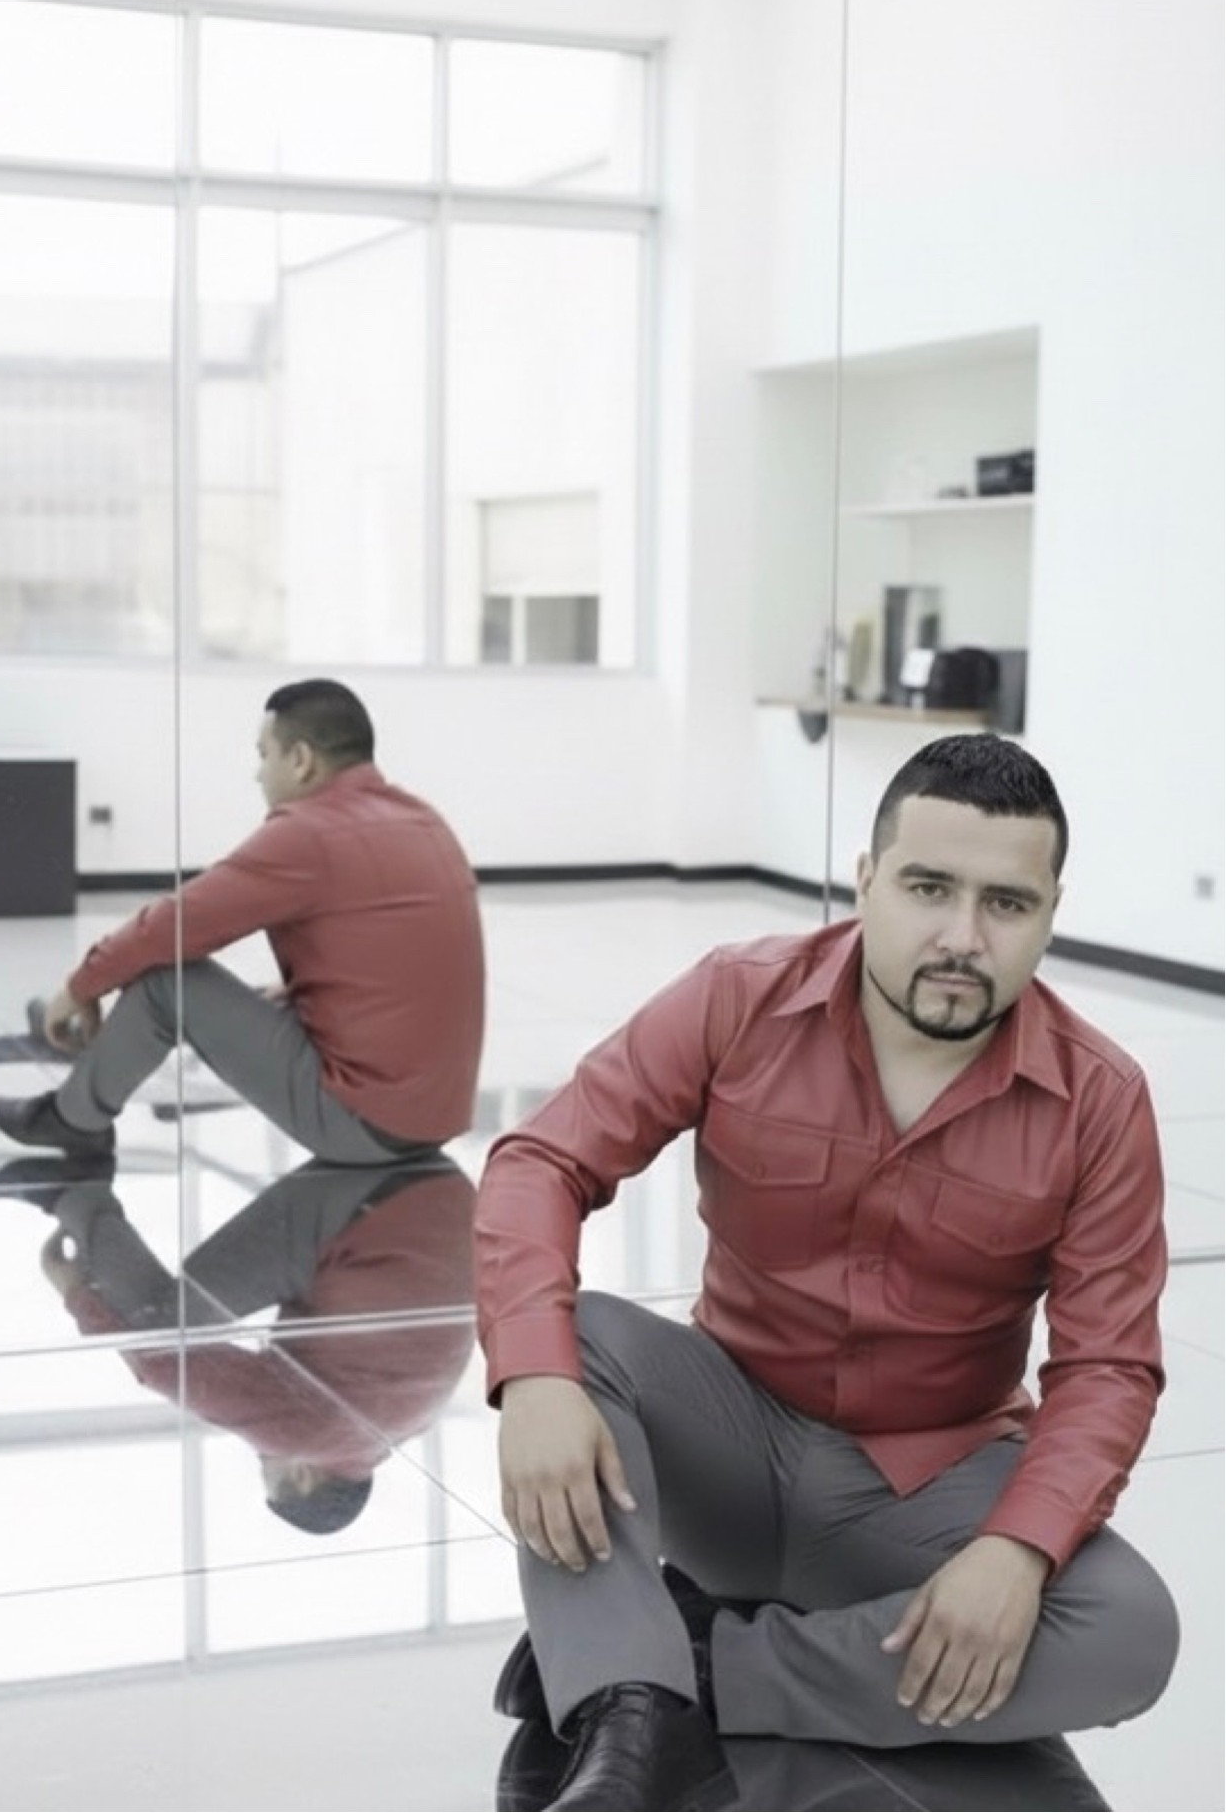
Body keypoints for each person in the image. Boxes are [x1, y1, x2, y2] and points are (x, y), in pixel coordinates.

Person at [474, 735, 1179, 1812]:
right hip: (728, 1452)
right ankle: (629, 1722)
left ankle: (676, 1671)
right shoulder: (738, 997)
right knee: (585, 1341)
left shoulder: (1102, 1100)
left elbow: (1109, 1368)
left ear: (1050, 913)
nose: (963, 937)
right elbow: (542, 1161)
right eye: (929, 888)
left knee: (1130, 1630)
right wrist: (533, 1377)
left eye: (1006, 904)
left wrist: (1016, 1551)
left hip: (926, 1491)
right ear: (865, 880)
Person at [0, 678, 485, 1177]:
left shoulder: (307, 833)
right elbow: (399, 964)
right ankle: (94, 1057)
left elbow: (171, 927)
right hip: (436, 1114)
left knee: (167, 982)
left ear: (301, 760)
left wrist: (80, 985)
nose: (258, 774)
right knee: (252, 996)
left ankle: (74, 1119)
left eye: (264, 755)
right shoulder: (424, 821)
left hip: (367, 1125)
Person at [0, 1148, 476, 1531]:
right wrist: (77, 1294)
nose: (261, 1449)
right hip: (369, 1212)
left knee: (193, 1318)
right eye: (267, 1465)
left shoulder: (408, 1422)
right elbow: (162, 1364)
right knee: (163, 1329)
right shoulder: (313, 1437)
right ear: (304, 1476)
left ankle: (76, 1187)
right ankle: (74, 1191)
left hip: (436, 1186)